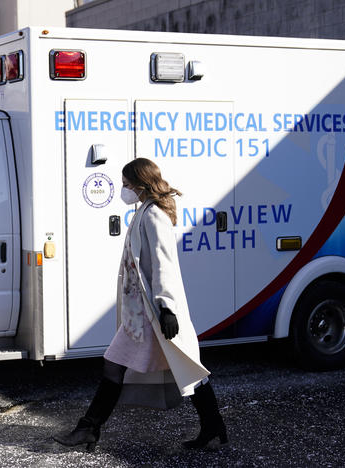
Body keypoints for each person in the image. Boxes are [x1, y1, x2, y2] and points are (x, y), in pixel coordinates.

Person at [53, 158, 228, 451]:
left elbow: (164, 265)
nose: (124, 190)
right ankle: (213, 425)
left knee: (128, 365)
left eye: (125, 184)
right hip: (142, 313)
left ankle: (88, 429)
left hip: (151, 315)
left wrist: (167, 307)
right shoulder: (145, 211)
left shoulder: (153, 215)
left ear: (140, 183)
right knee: (183, 367)